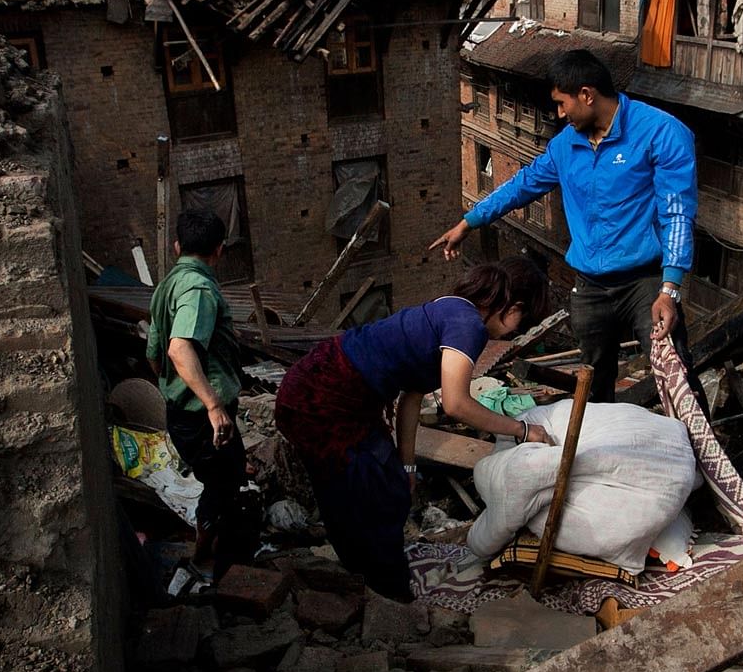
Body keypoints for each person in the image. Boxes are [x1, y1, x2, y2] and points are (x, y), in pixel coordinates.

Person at [275, 258, 556, 601]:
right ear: (514, 308)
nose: (515, 334)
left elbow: (412, 395)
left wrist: (408, 465)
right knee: (361, 495)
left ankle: (371, 580)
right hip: (321, 399)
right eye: (521, 324)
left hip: (339, 393)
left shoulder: (450, 309)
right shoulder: (469, 326)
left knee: (388, 486)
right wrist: (522, 430)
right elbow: (456, 404)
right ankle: (383, 593)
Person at [429, 49, 700, 403]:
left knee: (674, 371)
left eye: (561, 103)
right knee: (594, 382)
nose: (559, 113)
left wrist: (670, 289)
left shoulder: (661, 132)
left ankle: (702, 451)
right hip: (589, 286)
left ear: (587, 95)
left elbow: (677, 212)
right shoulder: (565, 146)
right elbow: (522, 185)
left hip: (646, 281)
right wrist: (470, 221)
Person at [146, 209, 260, 576]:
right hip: (201, 417)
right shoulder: (198, 290)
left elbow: (155, 354)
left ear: (178, 246)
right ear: (220, 249)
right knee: (225, 491)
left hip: (181, 412)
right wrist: (212, 405)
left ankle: (210, 555)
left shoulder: (167, 286)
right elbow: (179, 349)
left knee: (222, 480)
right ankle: (219, 567)